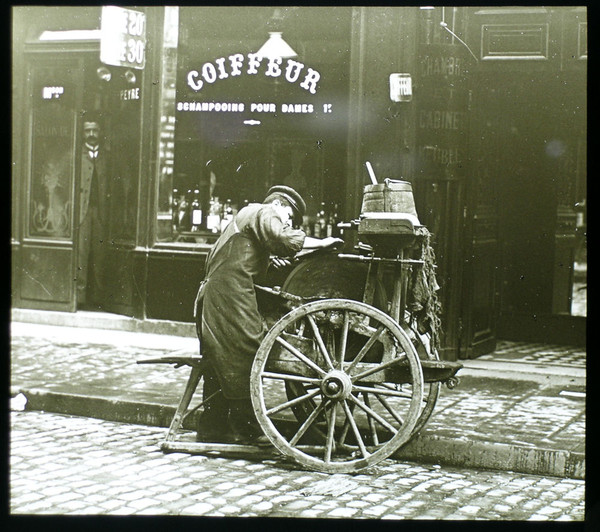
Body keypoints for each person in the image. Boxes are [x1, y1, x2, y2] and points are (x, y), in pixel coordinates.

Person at [194, 185, 343, 444]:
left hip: (219, 294)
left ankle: (213, 426)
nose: (288, 223)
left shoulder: (248, 216)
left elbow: (241, 255)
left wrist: (269, 260)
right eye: (289, 219)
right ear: (281, 207)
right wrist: (322, 242)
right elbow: (283, 238)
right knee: (248, 346)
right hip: (230, 295)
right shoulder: (263, 211)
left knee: (219, 356)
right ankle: (247, 426)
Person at [76, 114, 109, 309]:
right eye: (87, 131)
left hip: (102, 214)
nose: (91, 134)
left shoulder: (107, 156)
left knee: (100, 255)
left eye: (94, 130)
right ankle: (79, 297)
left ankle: (98, 298)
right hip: (82, 212)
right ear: (82, 133)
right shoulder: (77, 154)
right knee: (81, 253)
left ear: (100, 132)